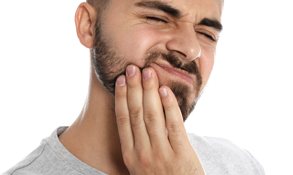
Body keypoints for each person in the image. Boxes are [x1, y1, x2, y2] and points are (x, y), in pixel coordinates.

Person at [4, 0, 265, 174]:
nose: (190, 48)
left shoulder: (240, 166)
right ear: (88, 26)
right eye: (157, 18)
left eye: (207, 34)